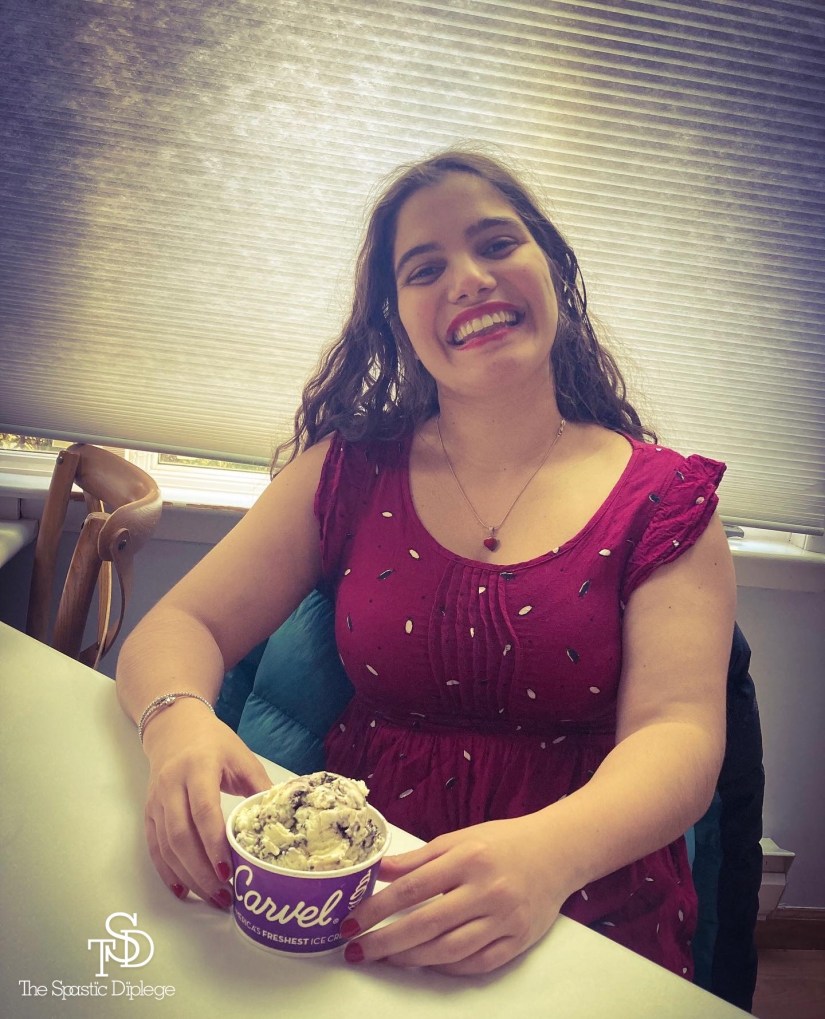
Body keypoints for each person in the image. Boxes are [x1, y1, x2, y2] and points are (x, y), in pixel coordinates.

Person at [116, 149, 736, 978]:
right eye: (425, 268)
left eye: (496, 243)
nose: (469, 278)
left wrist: (548, 855)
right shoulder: (347, 470)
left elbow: (679, 733)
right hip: (351, 895)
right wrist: (175, 721)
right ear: (394, 319)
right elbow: (181, 623)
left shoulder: (666, 499)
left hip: (584, 905)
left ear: (551, 266)